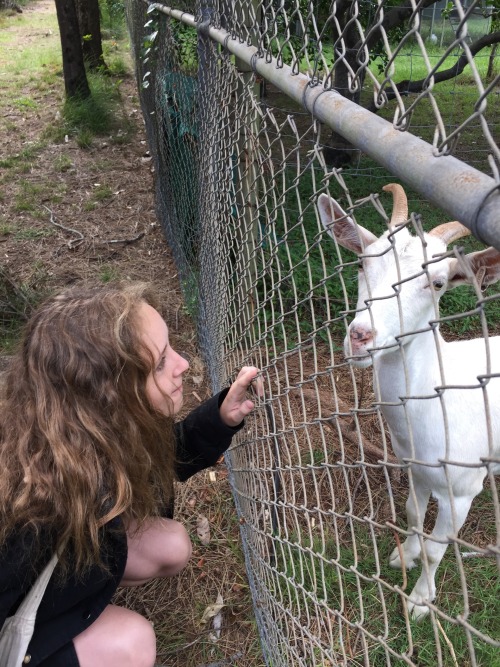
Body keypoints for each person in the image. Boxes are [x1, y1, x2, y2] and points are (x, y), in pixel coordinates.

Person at [0, 282, 262, 667]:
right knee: (132, 643)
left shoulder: (86, 431)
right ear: (107, 394)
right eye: (159, 363)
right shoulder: (29, 505)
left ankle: (79, 600)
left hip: (56, 575)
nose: (183, 364)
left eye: (171, 347)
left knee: (171, 544)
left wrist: (219, 418)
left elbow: (163, 458)